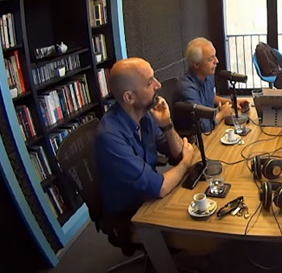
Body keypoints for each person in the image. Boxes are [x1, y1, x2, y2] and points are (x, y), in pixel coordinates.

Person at [95, 58, 217, 253]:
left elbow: (177, 153)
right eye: (149, 82)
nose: (158, 85)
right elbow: (161, 186)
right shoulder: (110, 136)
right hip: (131, 212)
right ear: (129, 97)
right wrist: (186, 162)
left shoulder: (145, 115)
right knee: (209, 236)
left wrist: (167, 125)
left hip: (149, 195)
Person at [174, 37, 250, 133]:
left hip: (211, 130)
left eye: (215, 56)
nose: (217, 61)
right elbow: (204, 127)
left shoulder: (208, 76)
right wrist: (222, 114)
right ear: (196, 64)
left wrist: (232, 103)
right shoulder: (187, 89)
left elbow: (210, 97)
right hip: (196, 137)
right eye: (211, 59)